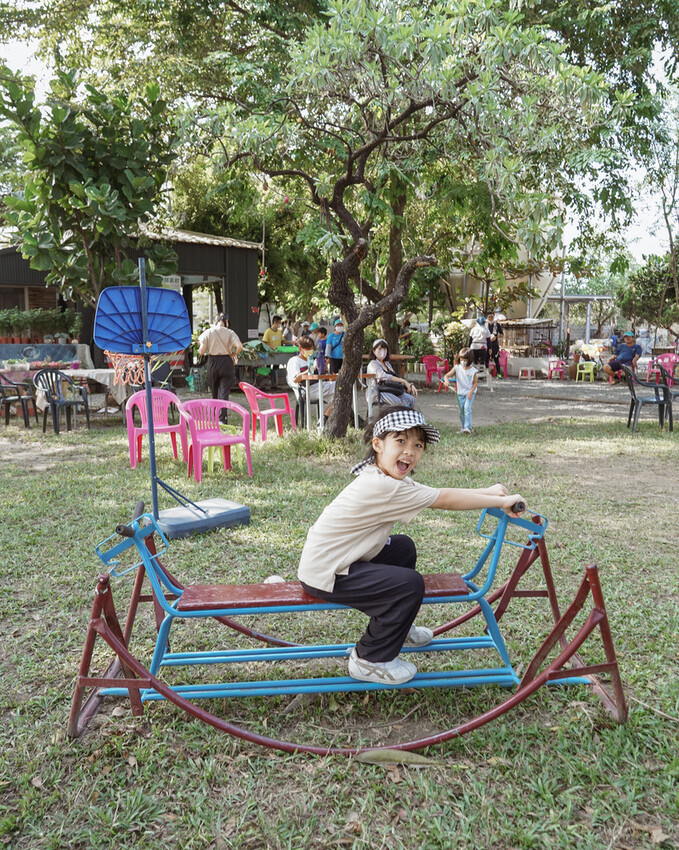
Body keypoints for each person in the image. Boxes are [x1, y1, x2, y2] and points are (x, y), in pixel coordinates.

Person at [297, 405, 525, 684]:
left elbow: (438, 493)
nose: (410, 451)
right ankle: (370, 659)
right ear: (378, 445)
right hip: (326, 573)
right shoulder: (383, 486)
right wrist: (500, 501)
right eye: (401, 441)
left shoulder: (384, 476)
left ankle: (398, 627)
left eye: (418, 445)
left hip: (337, 561)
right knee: (409, 584)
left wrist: (491, 493)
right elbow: (444, 500)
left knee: (402, 548)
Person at [198, 313, 243, 423]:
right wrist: (234, 354)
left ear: (216, 321)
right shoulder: (230, 332)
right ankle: (222, 419)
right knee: (224, 392)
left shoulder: (208, 332)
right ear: (226, 322)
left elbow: (202, 351)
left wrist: (200, 349)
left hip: (213, 362)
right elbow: (240, 346)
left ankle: (214, 418)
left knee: (214, 392)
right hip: (226, 362)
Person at [286, 335, 335, 422]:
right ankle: (324, 420)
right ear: (300, 349)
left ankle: (324, 419)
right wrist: (310, 369)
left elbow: (321, 376)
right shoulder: (294, 361)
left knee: (341, 393)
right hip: (306, 390)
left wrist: (324, 366)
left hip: (318, 386)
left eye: (311, 349)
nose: (310, 351)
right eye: (308, 349)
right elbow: (295, 379)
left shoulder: (311, 360)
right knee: (340, 387)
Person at [367, 338, 417, 409]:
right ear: (374, 351)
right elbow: (384, 376)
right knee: (399, 403)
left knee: (411, 399)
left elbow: (394, 377)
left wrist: (409, 384)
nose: (383, 352)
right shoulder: (373, 364)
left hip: (391, 389)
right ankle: (400, 414)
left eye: (385, 349)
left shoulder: (387, 364)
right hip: (378, 392)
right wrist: (403, 381)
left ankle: (407, 415)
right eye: (380, 349)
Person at [443, 347, 477, 434]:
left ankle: (468, 427)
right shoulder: (457, 367)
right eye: (461, 359)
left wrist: (470, 393)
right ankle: (464, 427)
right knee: (461, 411)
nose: (462, 361)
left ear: (469, 360)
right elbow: (446, 375)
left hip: (469, 393)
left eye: (465, 360)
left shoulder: (473, 371)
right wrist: (446, 381)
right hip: (460, 393)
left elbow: (475, 383)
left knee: (467, 408)